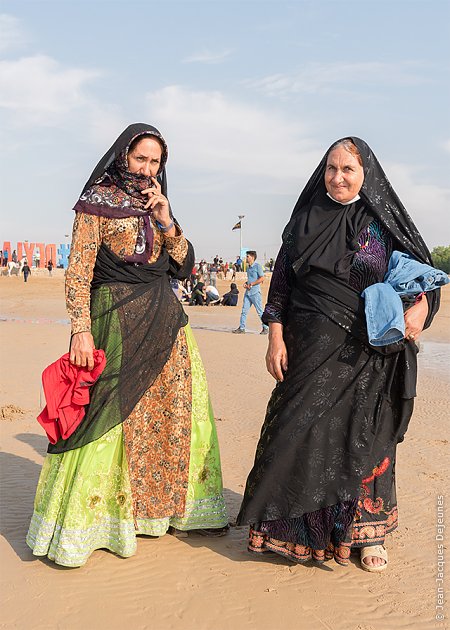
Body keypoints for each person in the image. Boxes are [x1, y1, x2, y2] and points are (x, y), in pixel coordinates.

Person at [26, 123, 228, 567]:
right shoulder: (96, 203)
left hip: (166, 326)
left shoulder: (158, 207)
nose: (148, 168)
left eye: (156, 162)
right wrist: (80, 329)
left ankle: (157, 514)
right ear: (123, 156)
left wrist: (167, 221)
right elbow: (78, 271)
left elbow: (184, 267)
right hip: (114, 322)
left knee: (168, 414)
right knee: (110, 417)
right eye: (141, 158)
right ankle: (97, 523)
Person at [237, 137, 441, 572]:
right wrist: (275, 336)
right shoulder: (302, 222)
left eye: (348, 169)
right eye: (331, 168)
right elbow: (281, 291)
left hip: (367, 353)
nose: (338, 177)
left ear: (366, 173)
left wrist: (422, 305)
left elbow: (419, 278)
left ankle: (366, 534)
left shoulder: (384, 224)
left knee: (363, 438)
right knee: (297, 434)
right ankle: (289, 529)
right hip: (308, 348)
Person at [233, 251, 268, 334]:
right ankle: (242, 328)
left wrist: (252, 284)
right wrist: (246, 283)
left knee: (259, 311)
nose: (246, 258)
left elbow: (262, 278)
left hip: (255, 293)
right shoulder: (248, 268)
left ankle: (265, 327)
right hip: (248, 293)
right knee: (244, 311)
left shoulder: (257, 266)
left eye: (247, 256)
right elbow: (250, 279)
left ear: (252, 257)